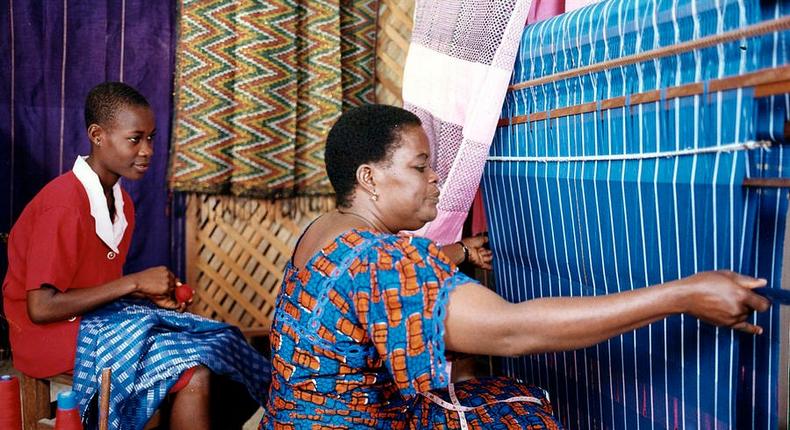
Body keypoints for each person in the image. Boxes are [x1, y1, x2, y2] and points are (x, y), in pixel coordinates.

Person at [261, 104, 771, 429]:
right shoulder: (381, 259)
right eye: (420, 167)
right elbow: (512, 331)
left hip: (293, 420)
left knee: (501, 393)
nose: (436, 178)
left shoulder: (326, 231)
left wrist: (459, 253)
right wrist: (682, 295)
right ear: (369, 178)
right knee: (517, 413)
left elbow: (365, 295)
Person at [2, 82, 266, 430]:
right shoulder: (63, 205)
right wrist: (133, 282)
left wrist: (142, 293)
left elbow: (96, 287)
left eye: (152, 138)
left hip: (91, 323)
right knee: (193, 370)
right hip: (44, 336)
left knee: (219, 341)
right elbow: (41, 307)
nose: (147, 150)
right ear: (97, 135)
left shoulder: (121, 203)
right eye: (135, 138)